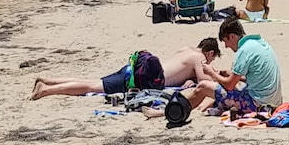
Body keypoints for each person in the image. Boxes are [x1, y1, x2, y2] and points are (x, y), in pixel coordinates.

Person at [31, 39, 221, 99]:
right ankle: (47, 90)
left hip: (136, 67)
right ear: (210, 53)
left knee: (93, 81)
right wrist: (213, 72)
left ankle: (48, 81)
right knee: (91, 87)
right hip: (141, 78)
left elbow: (182, 71)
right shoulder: (200, 58)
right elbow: (207, 81)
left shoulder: (186, 49)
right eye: (212, 58)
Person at [184, 18, 282, 115]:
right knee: (236, 84)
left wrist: (211, 73)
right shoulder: (259, 43)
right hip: (274, 102)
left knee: (203, 86)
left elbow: (229, 85)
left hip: (258, 104)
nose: (226, 46)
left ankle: (179, 110)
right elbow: (257, 78)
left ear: (232, 36)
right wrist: (230, 74)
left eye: (225, 41)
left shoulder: (244, 50)